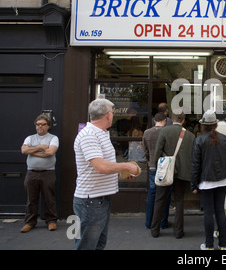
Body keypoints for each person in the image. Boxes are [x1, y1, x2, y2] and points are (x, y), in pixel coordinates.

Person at [73, 98, 141, 250]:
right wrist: (126, 165)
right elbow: (101, 167)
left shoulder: (101, 133)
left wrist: (119, 174)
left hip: (97, 200)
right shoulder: (89, 135)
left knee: (98, 245)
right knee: (87, 246)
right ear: (109, 115)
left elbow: (98, 167)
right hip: (90, 202)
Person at [191, 110, 226, 250]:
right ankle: (223, 245)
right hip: (223, 180)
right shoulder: (224, 139)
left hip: (206, 182)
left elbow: (195, 164)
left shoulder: (199, 140)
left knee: (208, 213)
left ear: (203, 125)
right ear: (215, 124)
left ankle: (209, 246)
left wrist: (194, 184)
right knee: (220, 211)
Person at [150, 110, 195, 239]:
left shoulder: (164, 131)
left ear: (171, 119)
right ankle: (178, 232)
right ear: (183, 120)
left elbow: (158, 150)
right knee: (180, 201)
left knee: (160, 199)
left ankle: (155, 230)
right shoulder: (190, 136)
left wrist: (156, 165)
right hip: (183, 172)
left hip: (165, 170)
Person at [20, 114, 59, 233]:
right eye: (38, 124)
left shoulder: (53, 138)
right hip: (31, 173)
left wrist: (32, 151)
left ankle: (51, 221)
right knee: (31, 199)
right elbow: (23, 150)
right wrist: (41, 147)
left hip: (48, 173)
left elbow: (51, 152)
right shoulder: (29, 138)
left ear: (48, 126)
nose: (40, 127)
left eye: (43, 124)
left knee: (49, 198)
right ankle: (30, 222)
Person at [142, 112, 170, 229]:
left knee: (152, 194)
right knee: (164, 195)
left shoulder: (147, 133)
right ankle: (163, 222)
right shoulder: (166, 132)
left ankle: (149, 222)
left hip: (152, 166)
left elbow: (145, 151)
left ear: (154, 121)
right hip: (164, 167)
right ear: (164, 121)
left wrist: (150, 161)